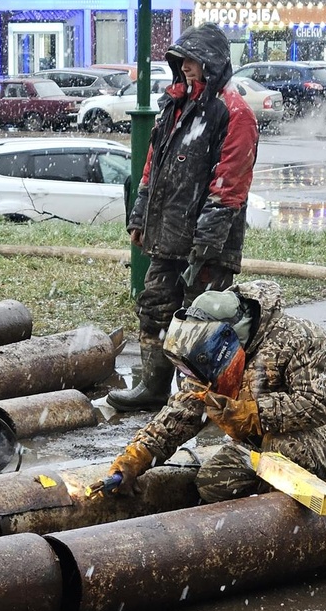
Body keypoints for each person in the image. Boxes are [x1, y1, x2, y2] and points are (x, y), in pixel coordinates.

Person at [107, 280, 326, 503]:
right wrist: (139, 456)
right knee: (213, 482)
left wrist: (251, 414)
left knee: (281, 450)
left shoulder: (303, 339)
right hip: (265, 441)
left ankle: (287, 518)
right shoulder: (211, 358)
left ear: (230, 338)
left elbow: (316, 404)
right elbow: (184, 411)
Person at [107, 23, 260, 413]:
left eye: (193, 60)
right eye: (182, 60)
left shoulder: (233, 112)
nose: (186, 67)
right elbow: (152, 167)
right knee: (155, 307)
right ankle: (154, 387)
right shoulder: (176, 107)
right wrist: (140, 217)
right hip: (167, 236)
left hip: (206, 243)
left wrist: (205, 244)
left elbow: (229, 185)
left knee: (201, 320)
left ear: (213, 63)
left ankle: (201, 399)